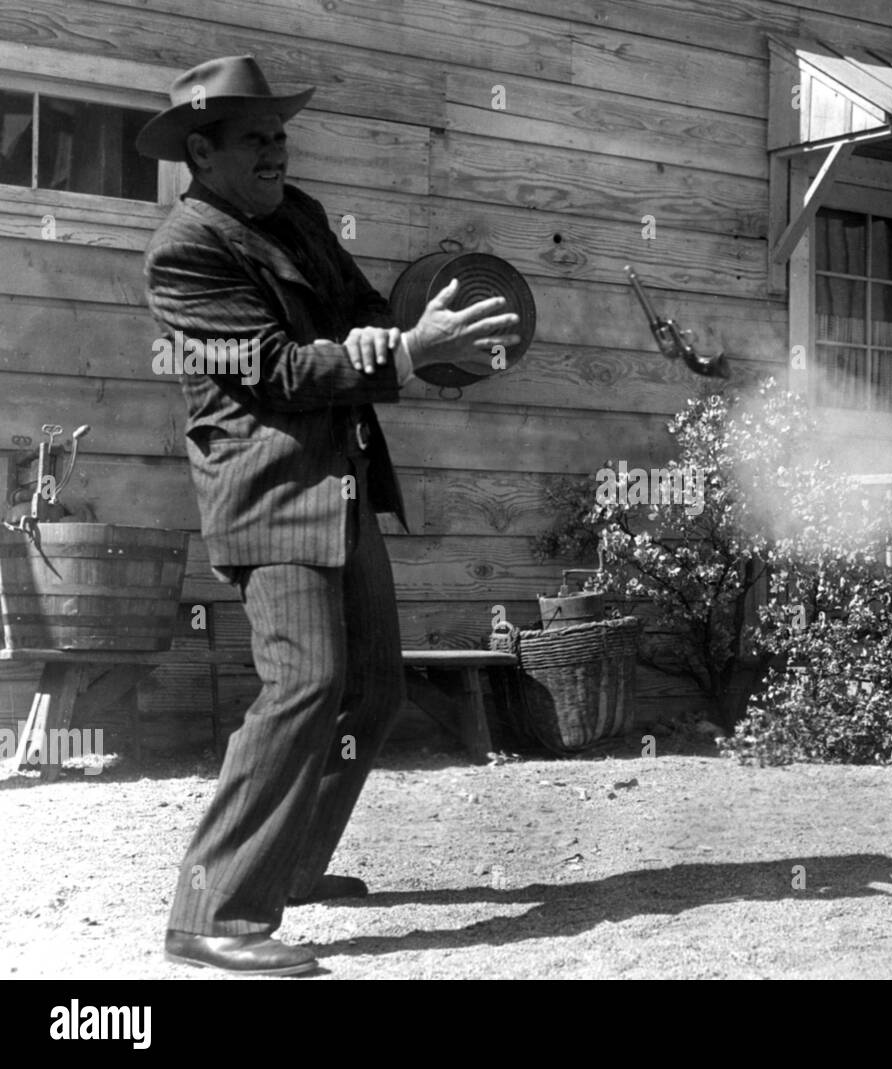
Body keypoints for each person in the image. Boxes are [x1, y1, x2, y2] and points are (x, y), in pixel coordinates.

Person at [137, 55, 520, 974]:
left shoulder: (298, 215)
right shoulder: (185, 247)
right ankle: (212, 910)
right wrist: (405, 355)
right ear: (203, 150)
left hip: (338, 478)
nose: (277, 149)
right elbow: (278, 371)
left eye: (280, 133)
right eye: (256, 137)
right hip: (269, 491)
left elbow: (356, 312)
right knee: (304, 684)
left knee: (373, 687)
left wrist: (432, 318)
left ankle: (289, 867)